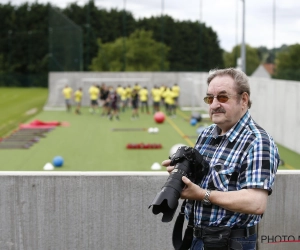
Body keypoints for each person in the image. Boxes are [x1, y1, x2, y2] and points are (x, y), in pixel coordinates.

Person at [162, 68, 279, 250]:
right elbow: (204, 180)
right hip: (196, 237)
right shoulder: (208, 133)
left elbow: (256, 203)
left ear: (244, 100)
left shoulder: (258, 142)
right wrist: (182, 173)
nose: (214, 104)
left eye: (222, 97)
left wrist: (202, 195)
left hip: (231, 243)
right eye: (210, 98)